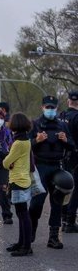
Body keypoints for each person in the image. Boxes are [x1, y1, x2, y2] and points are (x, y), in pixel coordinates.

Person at [29, 95, 76, 249]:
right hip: (40, 166)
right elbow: (25, 146)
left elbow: (72, 146)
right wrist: (37, 140)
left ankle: (53, 237)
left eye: (53, 108)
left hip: (57, 166)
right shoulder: (35, 124)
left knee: (57, 202)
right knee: (37, 202)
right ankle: (31, 230)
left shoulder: (62, 125)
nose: (50, 110)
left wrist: (65, 140)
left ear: (57, 109)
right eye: (47, 107)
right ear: (42, 107)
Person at [3, 113, 33, 256]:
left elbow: (6, 162)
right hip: (23, 179)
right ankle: (22, 243)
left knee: (22, 215)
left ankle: (26, 246)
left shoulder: (17, 143)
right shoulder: (26, 140)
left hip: (18, 180)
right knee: (22, 214)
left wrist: (9, 161)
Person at [62, 90, 78, 233]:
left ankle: (63, 218)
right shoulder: (77, 117)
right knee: (75, 190)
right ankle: (70, 221)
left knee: (63, 188)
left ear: (68, 101)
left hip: (61, 158)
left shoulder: (61, 116)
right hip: (75, 158)